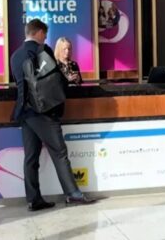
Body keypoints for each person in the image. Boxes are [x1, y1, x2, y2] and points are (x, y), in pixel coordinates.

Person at [10, 19, 96, 211]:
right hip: (44, 112)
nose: (45, 38)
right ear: (39, 32)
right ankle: (73, 194)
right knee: (60, 152)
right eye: (44, 34)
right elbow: (56, 80)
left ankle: (34, 199)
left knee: (31, 158)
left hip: (24, 112)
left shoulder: (15, 56)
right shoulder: (44, 50)